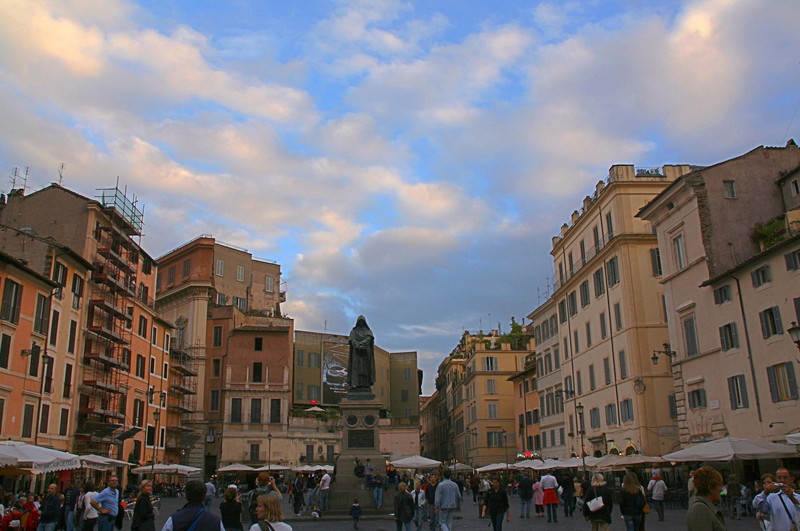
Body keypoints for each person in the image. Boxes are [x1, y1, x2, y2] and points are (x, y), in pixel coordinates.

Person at [687, 466, 726, 531]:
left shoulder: (703, 506)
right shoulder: (700, 508)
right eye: (719, 485)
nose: (721, 490)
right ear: (710, 487)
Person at [347, 315, 375, 391]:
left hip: (365, 353)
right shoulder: (354, 331)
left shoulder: (368, 331)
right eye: (360, 321)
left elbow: (369, 338)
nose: (361, 323)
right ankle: (355, 384)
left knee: (365, 369)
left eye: (362, 321)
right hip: (356, 353)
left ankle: (365, 384)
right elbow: (352, 339)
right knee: (356, 368)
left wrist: (362, 344)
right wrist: (357, 346)